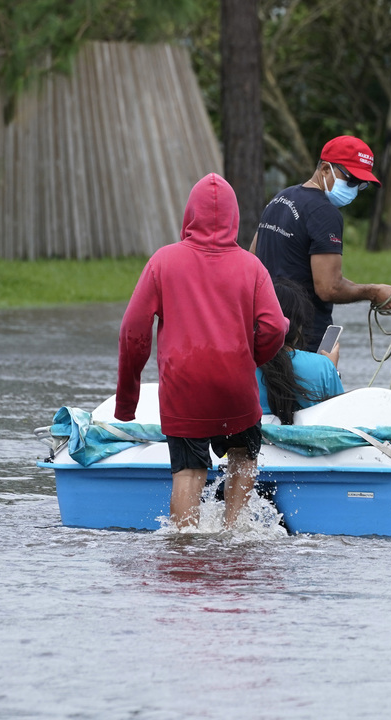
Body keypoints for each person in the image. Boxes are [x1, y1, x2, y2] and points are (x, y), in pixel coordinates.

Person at [114, 173, 288, 529]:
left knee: (189, 473)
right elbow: (273, 327)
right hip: (235, 391)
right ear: (234, 217)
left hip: (184, 390)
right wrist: (246, 360)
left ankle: (184, 549)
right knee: (242, 460)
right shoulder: (251, 266)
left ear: (189, 215)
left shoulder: (162, 262)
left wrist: (127, 401)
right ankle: (234, 531)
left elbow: (133, 332)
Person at [251, 135, 391, 352]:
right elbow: (328, 288)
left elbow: (253, 258)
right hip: (305, 337)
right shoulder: (324, 212)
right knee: (317, 384)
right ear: (324, 169)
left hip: (266, 331)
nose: (354, 188)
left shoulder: (279, 199)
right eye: (351, 180)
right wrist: (373, 292)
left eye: (362, 185)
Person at [256, 278, 344, 425]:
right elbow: (338, 420)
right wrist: (332, 371)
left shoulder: (241, 366)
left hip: (256, 444)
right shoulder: (322, 366)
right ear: (299, 327)